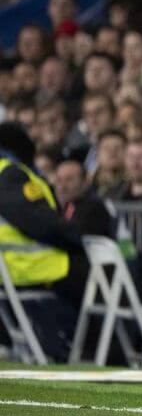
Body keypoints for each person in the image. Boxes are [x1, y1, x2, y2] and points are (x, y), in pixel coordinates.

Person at [0, 123, 89, 360]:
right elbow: (39, 221)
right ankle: (93, 350)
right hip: (31, 268)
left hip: (12, 270)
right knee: (94, 277)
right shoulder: (10, 174)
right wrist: (75, 238)